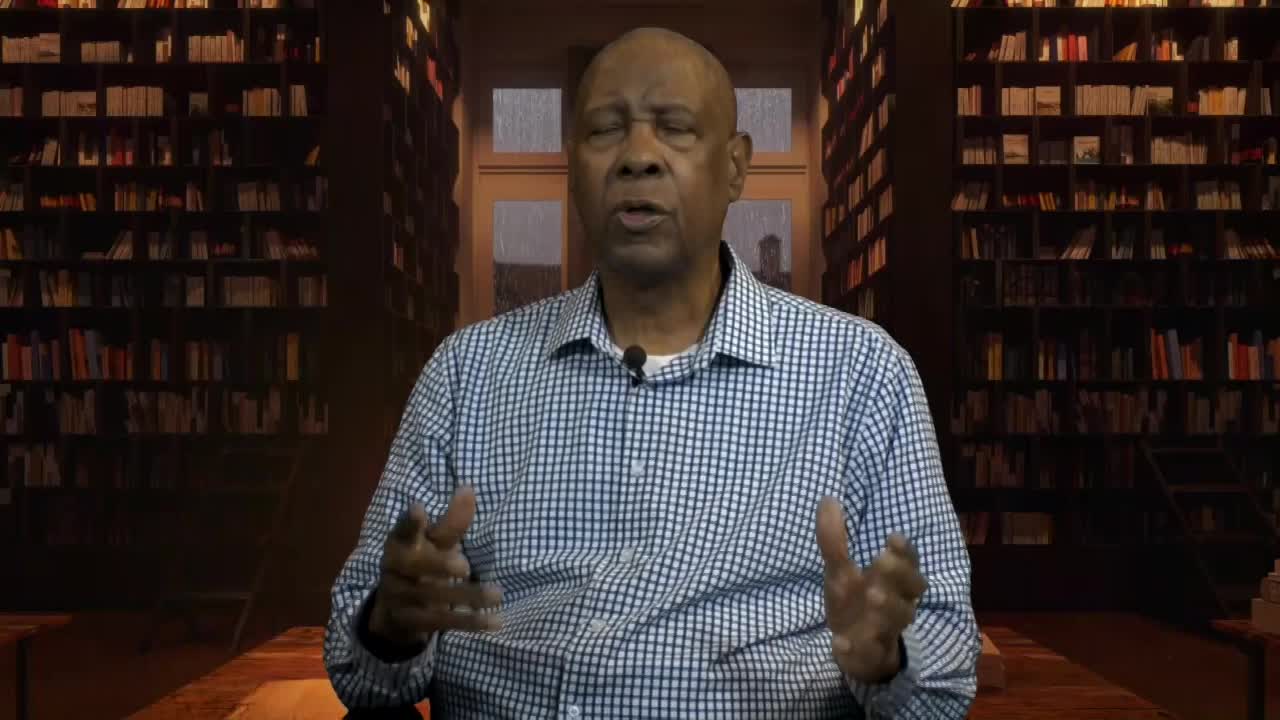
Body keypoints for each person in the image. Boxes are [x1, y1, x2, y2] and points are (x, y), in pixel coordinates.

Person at [324, 27, 979, 718]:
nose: (638, 156)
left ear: (735, 167)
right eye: (605, 130)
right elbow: (355, 664)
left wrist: (887, 661)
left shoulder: (863, 375)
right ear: (572, 165)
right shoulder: (466, 373)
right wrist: (390, 627)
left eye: (675, 128)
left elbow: (941, 676)